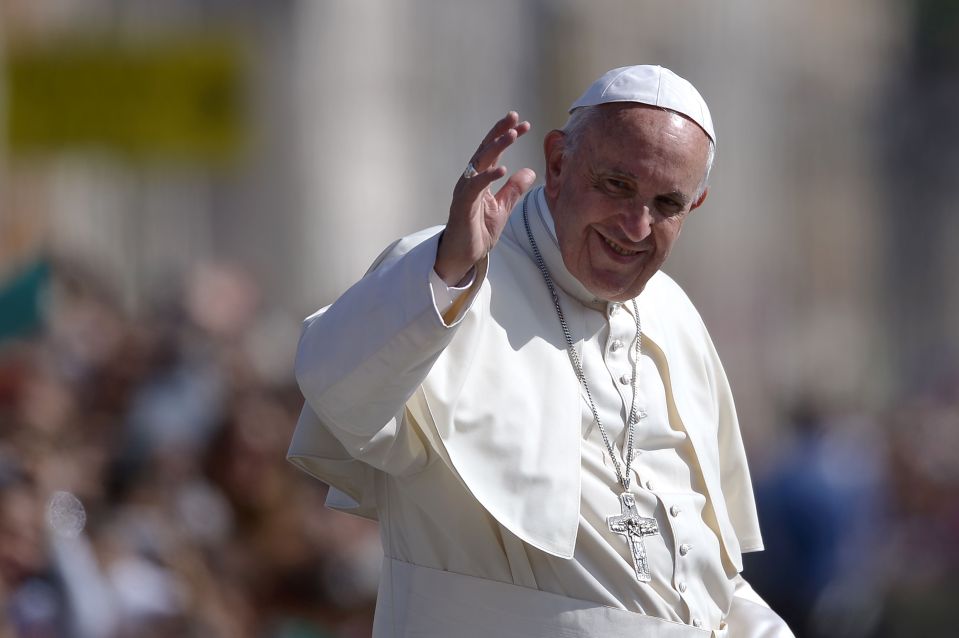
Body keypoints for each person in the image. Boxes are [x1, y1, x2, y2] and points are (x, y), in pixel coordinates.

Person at [289, 65, 794, 638]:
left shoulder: (674, 314)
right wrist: (449, 271)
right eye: (617, 186)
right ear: (557, 164)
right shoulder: (448, 276)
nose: (635, 226)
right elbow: (336, 388)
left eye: (667, 203)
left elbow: (702, 577)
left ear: (693, 207)